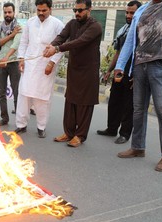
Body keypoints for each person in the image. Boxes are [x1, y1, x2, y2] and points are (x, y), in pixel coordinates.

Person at [114, 0, 162, 172]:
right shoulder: (142, 10)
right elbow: (131, 40)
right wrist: (120, 65)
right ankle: (138, 147)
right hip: (140, 65)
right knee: (138, 109)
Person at [43, 0, 102, 147]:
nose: (77, 13)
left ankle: (79, 136)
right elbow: (61, 36)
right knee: (70, 100)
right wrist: (52, 44)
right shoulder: (72, 23)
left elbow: (79, 41)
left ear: (89, 10)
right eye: (75, 10)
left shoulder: (95, 26)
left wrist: (57, 49)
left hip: (89, 70)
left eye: (80, 10)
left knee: (84, 103)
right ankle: (69, 133)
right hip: (74, 68)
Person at [14, 0, 64, 138]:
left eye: (44, 10)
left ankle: (41, 127)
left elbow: (61, 46)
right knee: (24, 95)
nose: (41, 13)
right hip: (29, 65)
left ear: (50, 9)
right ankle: (21, 125)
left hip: (45, 66)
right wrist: (21, 58)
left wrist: (52, 63)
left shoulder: (58, 25)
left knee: (42, 98)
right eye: (39, 10)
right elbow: (23, 42)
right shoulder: (30, 22)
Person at [97, 1, 142, 144]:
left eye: (132, 13)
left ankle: (125, 133)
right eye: (127, 12)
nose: (129, 15)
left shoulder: (142, 30)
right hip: (120, 70)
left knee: (129, 105)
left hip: (134, 70)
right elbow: (118, 52)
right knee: (114, 101)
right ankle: (111, 129)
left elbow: (142, 55)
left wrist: (138, 74)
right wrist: (109, 70)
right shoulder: (122, 30)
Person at [0, 2, 22, 126]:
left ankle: (20, 121)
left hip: (12, 62)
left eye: (9, 12)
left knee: (16, 91)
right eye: (5, 12)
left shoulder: (18, 27)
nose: (7, 14)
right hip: (0, 63)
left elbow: (15, 44)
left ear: (14, 13)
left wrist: (6, 57)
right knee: (1, 92)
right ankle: (4, 118)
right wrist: (11, 35)